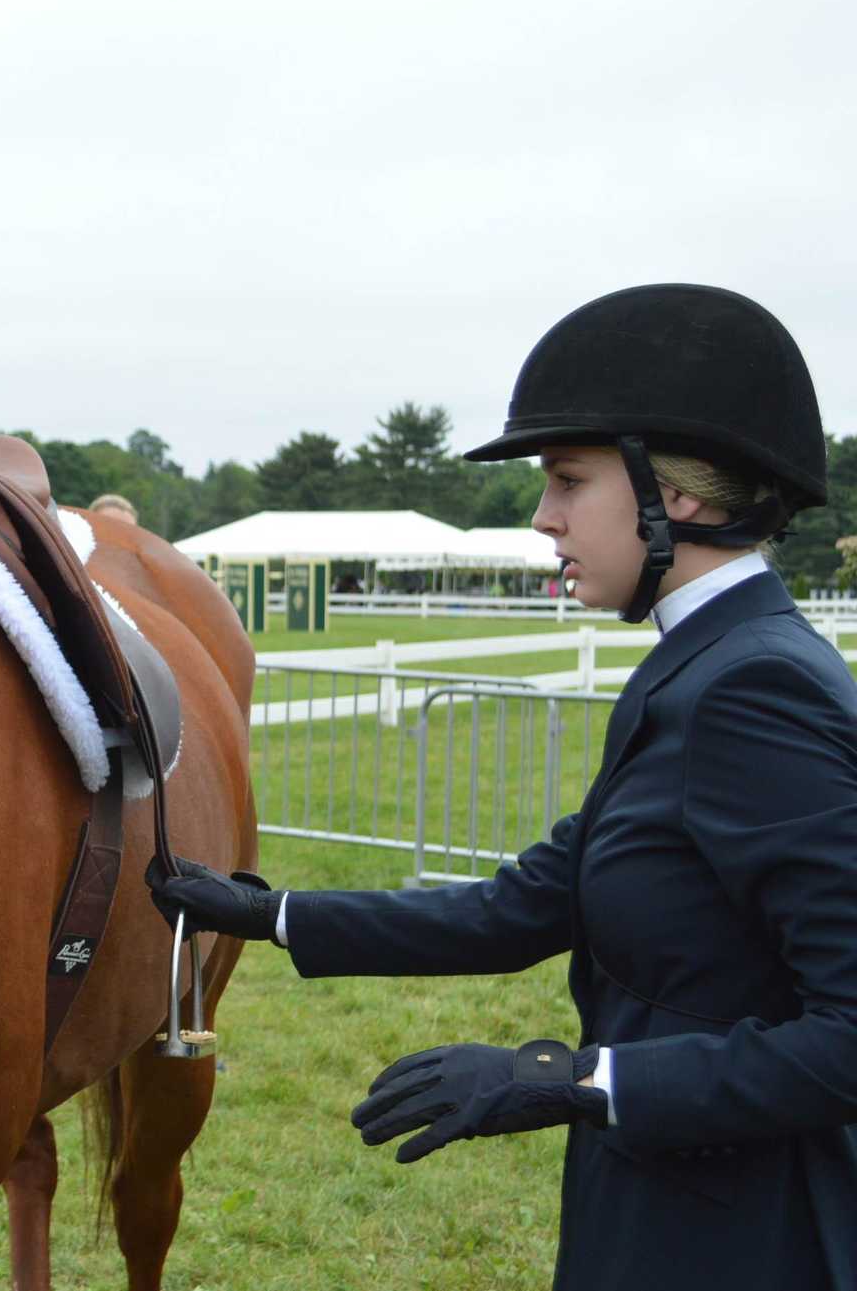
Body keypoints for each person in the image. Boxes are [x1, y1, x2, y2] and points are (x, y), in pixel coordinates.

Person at [146, 285, 857, 1290]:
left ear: (678, 493)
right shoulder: (699, 663)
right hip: (658, 1205)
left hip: (740, 1235)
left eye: (567, 480)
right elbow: (522, 906)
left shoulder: (753, 686)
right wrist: (268, 914)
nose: (541, 517)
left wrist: (578, 1079)